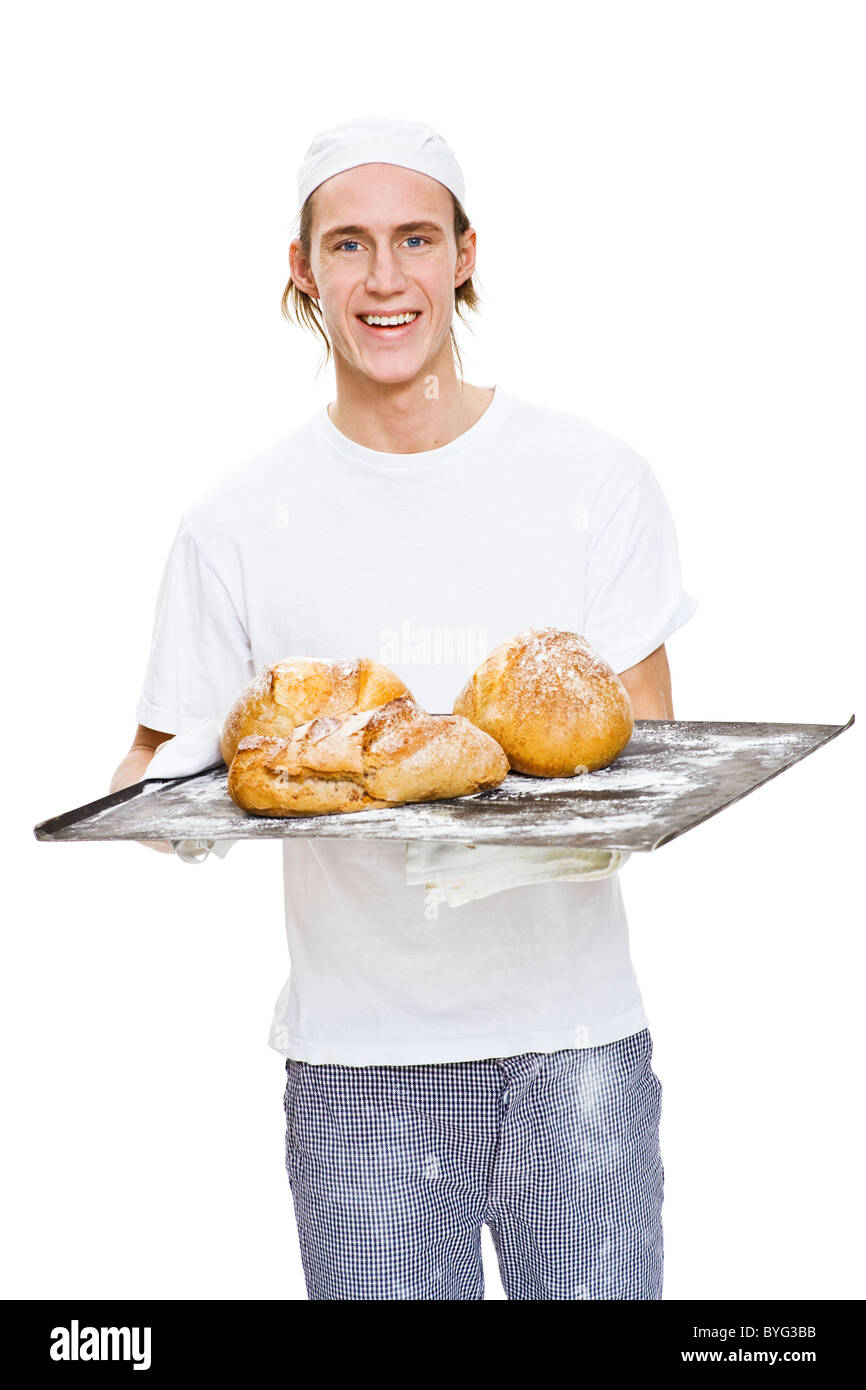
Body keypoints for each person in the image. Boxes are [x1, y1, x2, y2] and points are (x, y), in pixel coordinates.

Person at [113, 115, 698, 1301]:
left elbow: (645, 754)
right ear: (302, 269)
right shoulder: (234, 521)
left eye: (415, 240)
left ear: (464, 256)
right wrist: (174, 809)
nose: (384, 279)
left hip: (574, 1044)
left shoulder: (591, 479)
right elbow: (151, 767)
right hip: (357, 1062)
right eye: (349, 246)